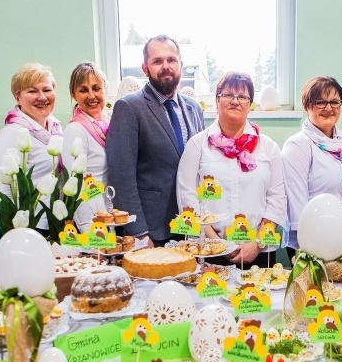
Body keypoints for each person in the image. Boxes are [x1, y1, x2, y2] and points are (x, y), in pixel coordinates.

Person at [177, 72, 286, 268]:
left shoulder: (268, 147)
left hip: (258, 252)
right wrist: (218, 245)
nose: (235, 101)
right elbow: (187, 198)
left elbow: (277, 199)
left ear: (250, 104)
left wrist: (257, 243)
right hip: (209, 250)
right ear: (216, 100)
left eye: (242, 97)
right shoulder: (197, 145)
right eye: (228, 95)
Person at [105, 35, 205, 247]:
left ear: (180, 64)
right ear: (145, 68)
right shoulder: (129, 107)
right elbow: (122, 177)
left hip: (190, 228)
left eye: (171, 60)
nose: (166, 66)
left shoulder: (194, 108)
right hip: (153, 231)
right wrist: (139, 233)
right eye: (157, 61)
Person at [282, 76, 342, 258]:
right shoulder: (297, 145)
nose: (328, 108)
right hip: (311, 241)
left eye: (334, 102)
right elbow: (297, 207)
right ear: (307, 106)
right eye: (320, 102)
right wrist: (312, 247)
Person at [0, 63, 62, 236]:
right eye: (32, 91)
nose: (42, 97)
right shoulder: (12, 133)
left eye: (47, 90)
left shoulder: (56, 129)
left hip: (58, 222)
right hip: (32, 227)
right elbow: (5, 189)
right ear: (18, 97)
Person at [61, 61, 110, 232]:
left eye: (96, 88)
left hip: (110, 214)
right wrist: (89, 230)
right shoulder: (75, 130)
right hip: (92, 222)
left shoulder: (110, 122)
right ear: (73, 94)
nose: (91, 96)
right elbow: (74, 186)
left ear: (105, 89)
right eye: (83, 90)